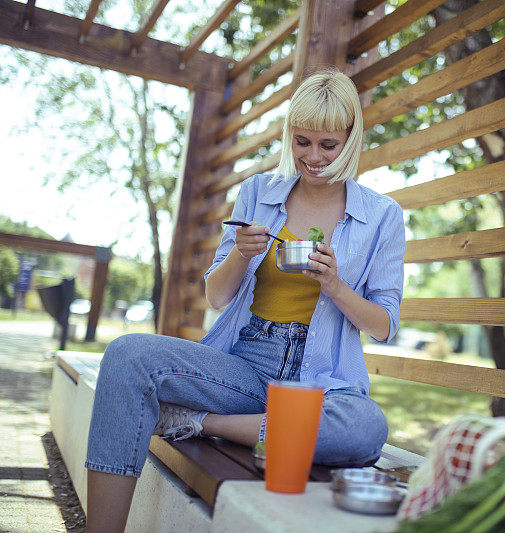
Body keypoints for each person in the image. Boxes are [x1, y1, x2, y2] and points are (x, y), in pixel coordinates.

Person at [84, 68, 406, 532]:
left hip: (322, 382)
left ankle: (198, 421)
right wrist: (238, 254)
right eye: (302, 142)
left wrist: (335, 286)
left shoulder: (382, 216)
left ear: (350, 140)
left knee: (366, 430)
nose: (313, 157)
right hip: (248, 365)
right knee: (126, 354)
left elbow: (384, 324)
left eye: (327, 145)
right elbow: (216, 296)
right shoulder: (258, 192)